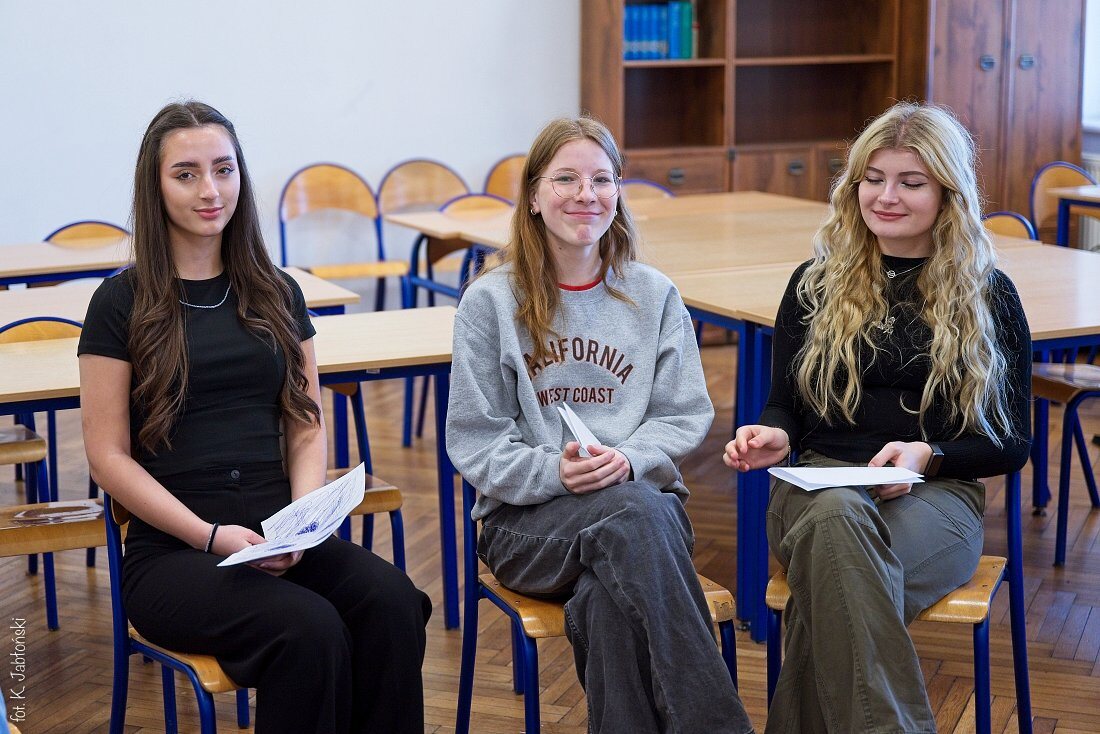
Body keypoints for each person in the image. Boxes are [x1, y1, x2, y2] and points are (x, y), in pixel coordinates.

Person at [78, 101, 431, 734]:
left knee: (394, 602)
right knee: (309, 630)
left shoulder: (276, 291)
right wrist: (210, 535)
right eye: (186, 174)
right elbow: (107, 457)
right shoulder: (119, 302)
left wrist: (300, 527)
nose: (210, 191)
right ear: (155, 186)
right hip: (176, 552)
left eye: (223, 169)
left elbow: (306, 422)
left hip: (276, 535)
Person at [724, 102, 1031, 733]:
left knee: (832, 593)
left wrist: (929, 455)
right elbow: (784, 404)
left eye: (910, 183)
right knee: (837, 518)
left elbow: (1011, 442)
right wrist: (776, 433)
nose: (886, 197)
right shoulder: (813, 284)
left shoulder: (989, 295)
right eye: (873, 179)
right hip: (814, 486)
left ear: (947, 195)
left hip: (936, 498)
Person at [446, 117, 754, 734]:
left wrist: (630, 459)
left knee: (608, 599)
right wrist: (555, 472)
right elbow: (476, 440)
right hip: (526, 526)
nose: (586, 194)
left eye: (602, 179)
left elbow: (684, 412)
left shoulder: (654, 294)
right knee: (636, 515)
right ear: (534, 196)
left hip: (644, 519)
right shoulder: (491, 301)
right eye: (566, 179)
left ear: (618, 192)